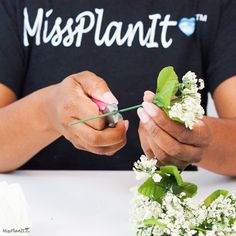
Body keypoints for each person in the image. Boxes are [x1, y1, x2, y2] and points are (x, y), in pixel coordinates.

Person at [0, 0, 236, 175]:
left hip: (161, 212)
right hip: (38, 214)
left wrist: (195, 139)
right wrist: (48, 111)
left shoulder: (213, 6)